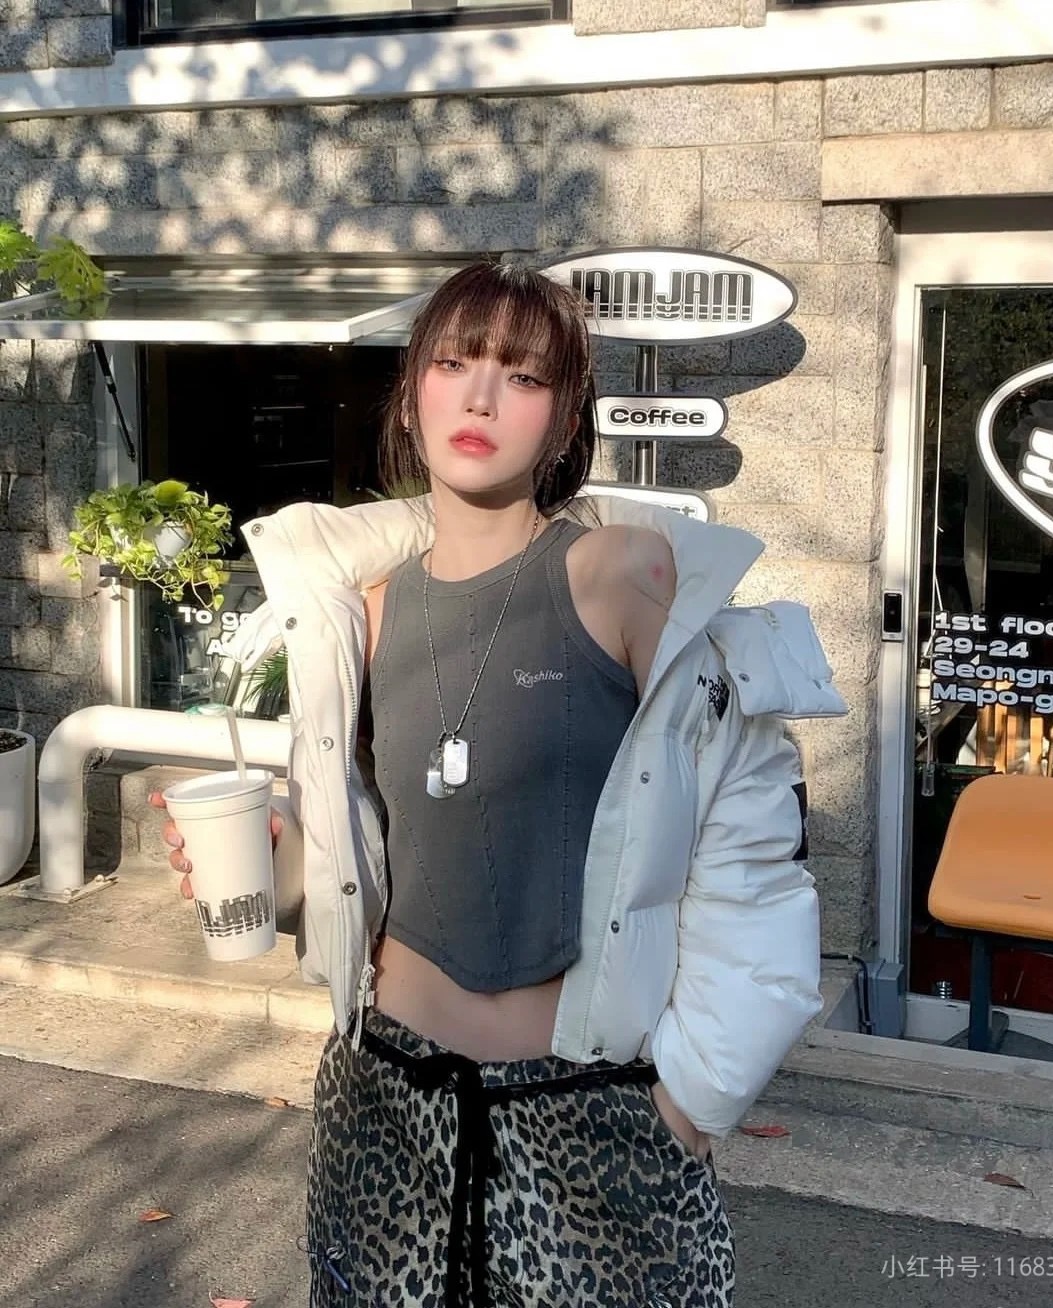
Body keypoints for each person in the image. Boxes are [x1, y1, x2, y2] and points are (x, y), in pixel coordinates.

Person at [151, 260, 845, 1308]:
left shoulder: (624, 576)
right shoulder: (356, 612)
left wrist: (690, 1104)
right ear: (411, 396)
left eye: (523, 377)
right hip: (385, 1105)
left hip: (589, 1119)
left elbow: (750, 854)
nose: (480, 397)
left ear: (566, 422)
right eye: (454, 363)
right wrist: (282, 865)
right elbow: (372, 858)